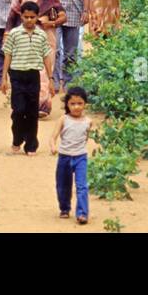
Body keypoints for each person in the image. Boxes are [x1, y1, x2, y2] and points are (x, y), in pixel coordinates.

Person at [3, 0, 66, 115]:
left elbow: (63, 16)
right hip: (22, 37)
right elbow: (12, 15)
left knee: (43, 72)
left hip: (45, 37)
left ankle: (43, 105)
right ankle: (26, 104)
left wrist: (51, 22)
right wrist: (7, 34)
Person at [1, 1, 55, 155]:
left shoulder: (41, 35)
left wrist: (51, 79)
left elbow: (46, 57)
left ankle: (31, 144)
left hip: (33, 76)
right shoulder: (14, 33)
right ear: (21, 16)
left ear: (37, 17)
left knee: (32, 112)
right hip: (17, 75)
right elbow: (8, 55)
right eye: (26, 17)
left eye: (32, 17)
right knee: (18, 110)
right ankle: (17, 138)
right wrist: (4, 78)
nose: (29, 20)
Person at [43, 0, 93, 89]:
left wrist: (86, 11)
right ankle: (56, 82)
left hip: (73, 15)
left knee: (71, 53)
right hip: (55, 17)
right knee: (55, 50)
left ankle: (69, 81)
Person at [51, 86, 92, 224]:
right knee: (63, 185)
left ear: (85, 104)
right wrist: (52, 146)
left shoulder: (88, 122)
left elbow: (87, 137)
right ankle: (64, 208)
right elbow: (53, 136)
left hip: (81, 157)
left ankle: (82, 213)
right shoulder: (63, 119)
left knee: (82, 186)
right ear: (67, 104)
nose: (76, 107)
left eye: (80, 103)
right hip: (64, 157)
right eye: (72, 104)